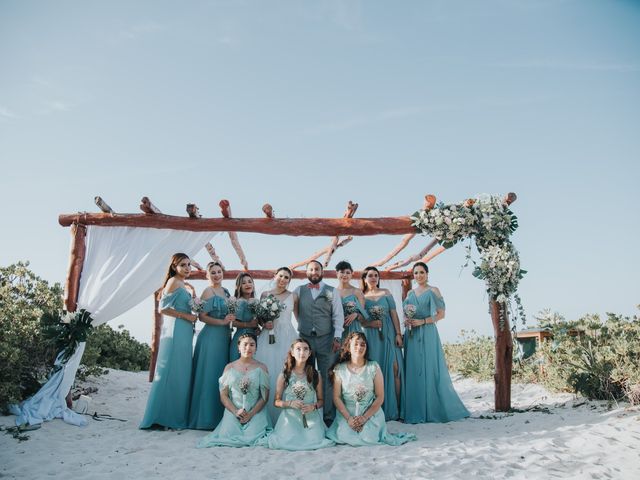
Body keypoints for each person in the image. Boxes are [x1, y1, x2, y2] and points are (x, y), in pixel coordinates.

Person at [402, 262, 470, 423]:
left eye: (421, 272)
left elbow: (441, 314)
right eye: (416, 273)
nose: (418, 276)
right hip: (411, 334)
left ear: (427, 274)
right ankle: (415, 408)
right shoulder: (410, 292)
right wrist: (408, 320)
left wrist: (423, 321)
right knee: (413, 368)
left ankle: (433, 408)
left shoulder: (434, 290)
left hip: (428, 332)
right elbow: (406, 312)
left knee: (430, 367)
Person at [326, 332, 416, 446]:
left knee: (369, 438)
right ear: (348, 347)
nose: (359, 347)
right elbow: (336, 397)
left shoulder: (373, 367)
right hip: (347, 413)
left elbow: (380, 396)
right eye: (356, 344)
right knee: (344, 436)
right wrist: (349, 419)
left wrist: (364, 418)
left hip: (370, 414)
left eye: (363, 344)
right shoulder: (339, 369)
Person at [140, 253, 197, 430]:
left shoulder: (184, 284)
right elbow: (162, 308)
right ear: (174, 267)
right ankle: (160, 417)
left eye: (189, 265)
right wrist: (185, 316)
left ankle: (173, 416)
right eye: (183, 265)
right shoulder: (173, 282)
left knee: (180, 373)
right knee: (170, 372)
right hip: (176, 330)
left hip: (185, 330)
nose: (187, 268)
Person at [197, 333, 271, 448]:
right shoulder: (229, 367)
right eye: (245, 344)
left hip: (255, 411)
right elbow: (223, 395)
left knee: (254, 436)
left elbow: (265, 397)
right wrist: (236, 411)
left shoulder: (262, 368)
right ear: (238, 347)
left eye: (252, 345)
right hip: (233, 410)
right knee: (228, 435)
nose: (248, 348)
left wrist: (251, 414)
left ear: (256, 347)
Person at [293, 260, 344, 423]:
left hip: (327, 339)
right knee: (305, 376)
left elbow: (338, 315)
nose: (314, 272)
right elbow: (295, 311)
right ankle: (307, 416)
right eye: (311, 269)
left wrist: (337, 337)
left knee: (328, 377)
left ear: (322, 271)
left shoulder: (332, 291)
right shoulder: (299, 290)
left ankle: (328, 417)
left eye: (317, 269)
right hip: (305, 339)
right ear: (306, 272)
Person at [188, 262, 234, 430]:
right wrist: (222, 321)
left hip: (224, 338)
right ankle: (204, 419)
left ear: (223, 273)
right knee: (208, 375)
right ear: (207, 276)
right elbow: (202, 316)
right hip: (211, 337)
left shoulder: (227, 292)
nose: (216, 275)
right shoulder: (208, 291)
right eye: (212, 272)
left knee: (220, 378)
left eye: (218, 271)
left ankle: (218, 418)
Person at [266, 339, 335, 450]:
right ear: (292, 352)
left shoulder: (315, 374)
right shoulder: (285, 374)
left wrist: (313, 406)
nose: (302, 352)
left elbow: (321, 400)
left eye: (305, 349)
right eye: (298, 349)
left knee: (315, 441)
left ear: (309, 353)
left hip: (311, 417)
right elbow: (276, 401)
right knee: (286, 442)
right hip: (290, 418)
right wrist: (289, 403)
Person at [254, 267, 299, 424]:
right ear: (275, 276)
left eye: (286, 277)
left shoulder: (293, 296)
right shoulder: (265, 295)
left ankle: (287, 416)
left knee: (286, 369)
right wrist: (264, 323)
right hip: (269, 335)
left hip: (287, 336)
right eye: (281, 276)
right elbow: (259, 318)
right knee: (268, 370)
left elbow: (298, 318)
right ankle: (264, 414)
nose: (283, 279)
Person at [361, 266, 405, 421]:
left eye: (376, 275)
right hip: (372, 337)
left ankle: (398, 409)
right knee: (375, 373)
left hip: (389, 334)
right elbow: (360, 319)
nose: (373, 278)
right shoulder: (362, 296)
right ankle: (378, 410)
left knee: (395, 369)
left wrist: (398, 334)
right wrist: (370, 324)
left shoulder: (386, 293)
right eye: (370, 276)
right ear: (365, 279)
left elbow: (394, 314)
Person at [229, 273, 259, 362]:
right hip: (241, 337)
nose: (247, 284)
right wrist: (249, 324)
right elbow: (233, 323)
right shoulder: (240, 302)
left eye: (250, 282)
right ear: (239, 286)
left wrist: (257, 328)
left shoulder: (256, 302)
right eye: (244, 283)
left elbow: (257, 322)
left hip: (253, 337)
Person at [335, 260, 368, 338]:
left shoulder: (357, 292)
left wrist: (356, 314)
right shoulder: (332, 293)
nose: (345, 275)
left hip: (354, 329)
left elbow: (363, 318)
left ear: (351, 275)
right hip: (337, 331)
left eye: (348, 272)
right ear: (337, 273)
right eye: (342, 272)